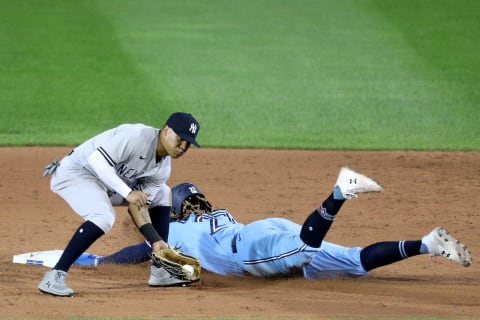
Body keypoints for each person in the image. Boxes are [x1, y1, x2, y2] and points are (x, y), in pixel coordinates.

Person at [81, 167, 472, 280]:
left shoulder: (174, 230)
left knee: (304, 248)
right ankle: (426, 244)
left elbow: (137, 250)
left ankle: (339, 192)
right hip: (266, 228)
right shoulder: (215, 214)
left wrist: (97, 262)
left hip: (249, 250)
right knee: (354, 262)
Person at [38, 112, 201, 296]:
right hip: (76, 173)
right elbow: (96, 160)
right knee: (103, 216)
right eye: (180, 139)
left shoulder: (163, 168)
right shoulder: (137, 137)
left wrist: (155, 240)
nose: (183, 147)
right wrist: (128, 192)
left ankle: (160, 269)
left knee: (163, 192)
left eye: (188, 143)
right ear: (166, 131)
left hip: (105, 184)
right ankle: (55, 276)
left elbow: (138, 205)